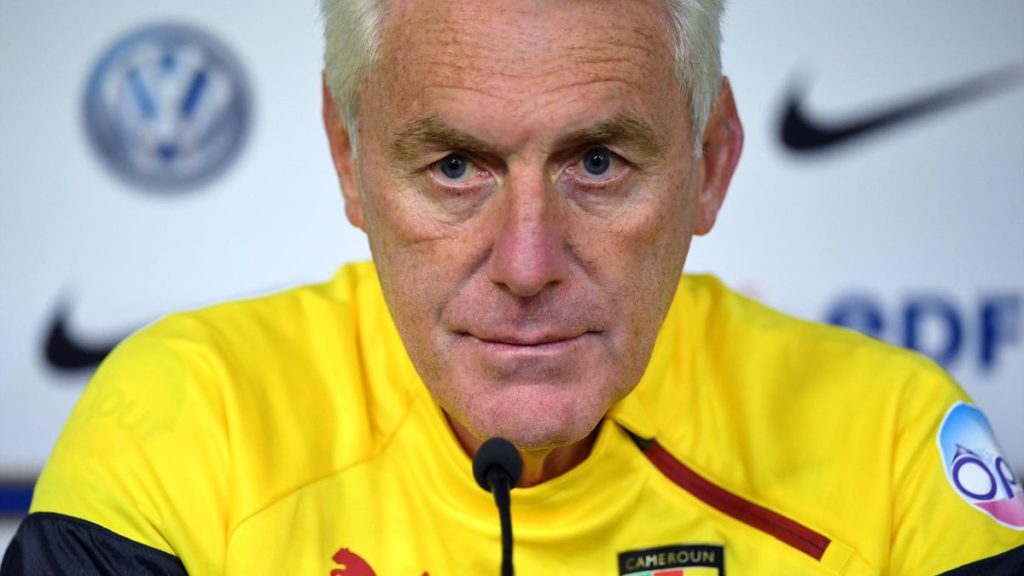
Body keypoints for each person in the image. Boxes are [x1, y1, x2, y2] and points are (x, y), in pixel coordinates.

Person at [4, 0, 1023, 574]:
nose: (527, 265)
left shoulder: (894, 443)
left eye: (597, 164)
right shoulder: (184, 421)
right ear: (347, 157)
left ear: (710, 162)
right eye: (455, 167)